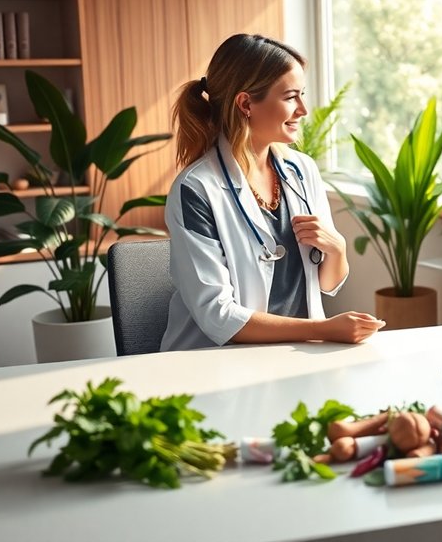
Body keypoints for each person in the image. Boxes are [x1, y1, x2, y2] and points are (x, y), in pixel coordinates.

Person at [161, 33, 385, 351]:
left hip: (293, 353)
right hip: (214, 361)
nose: (304, 110)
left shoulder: (301, 171)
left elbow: (328, 283)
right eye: (291, 97)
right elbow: (218, 316)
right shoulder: (197, 190)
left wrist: (337, 250)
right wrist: (324, 329)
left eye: (302, 95)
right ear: (246, 103)